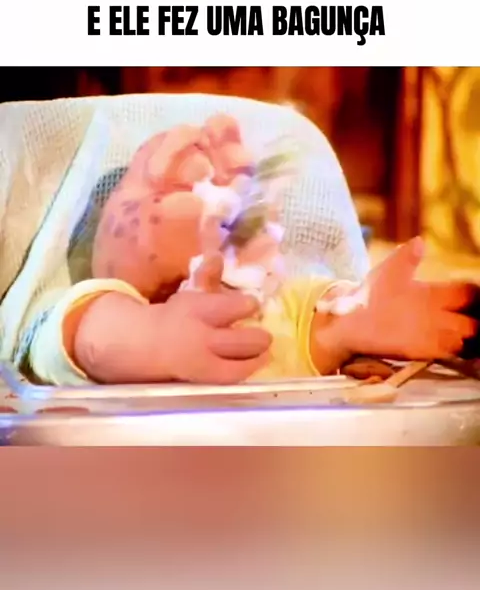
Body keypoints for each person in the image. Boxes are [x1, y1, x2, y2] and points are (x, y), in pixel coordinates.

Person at [13, 112, 478, 388]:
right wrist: (157, 339)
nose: (224, 196)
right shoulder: (100, 302)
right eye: (175, 186)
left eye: (246, 195)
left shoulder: (272, 304)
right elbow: (88, 341)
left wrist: (357, 321)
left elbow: (309, 332)